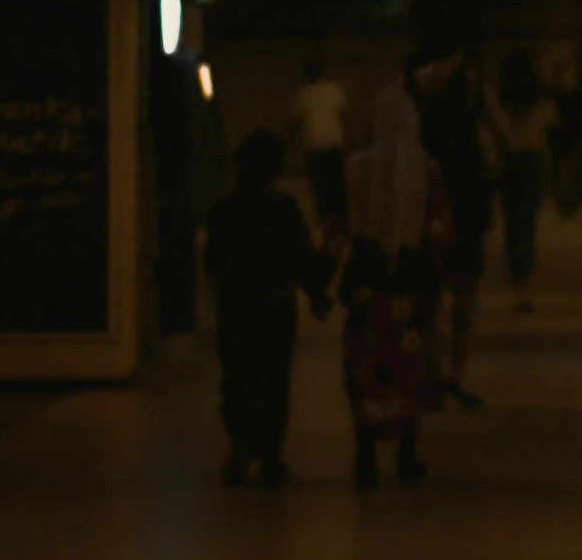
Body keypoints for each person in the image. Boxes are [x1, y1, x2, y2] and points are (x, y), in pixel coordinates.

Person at [334, 64, 443, 488]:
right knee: (409, 366)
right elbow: (439, 229)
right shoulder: (428, 170)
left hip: (367, 284)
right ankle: (406, 453)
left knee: (365, 368)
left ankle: (364, 454)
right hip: (410, 288)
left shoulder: (355, 169)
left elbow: (339, 225)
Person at [204, 128, 329, 487]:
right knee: (274, 381)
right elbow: (301, 258)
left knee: (238, 377)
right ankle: (271, 455)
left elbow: (212, 262)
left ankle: (240, 442)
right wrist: (318, 289)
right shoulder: (285, 210)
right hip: (276, 307)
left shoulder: (223, 211)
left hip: (236, 308)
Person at [412, 33, 495, 407]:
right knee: (467, 291)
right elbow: (499, 133)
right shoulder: (471, 81)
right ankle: (457, 373)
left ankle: (430, 372)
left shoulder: (416, 83)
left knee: (429, 291)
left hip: (428, 191)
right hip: (469, 188)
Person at [490, 46, 554, 311]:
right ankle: (526, 283)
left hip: (510, 164)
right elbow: (546, 131)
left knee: (513, 226)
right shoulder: (539, 99)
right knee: (528, 226)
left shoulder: (500, 99)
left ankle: (517, 282)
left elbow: (497, 133)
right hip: (531, 163)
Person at [290, 58, 349, 233]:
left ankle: (325, 219)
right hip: (333, 142)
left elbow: (294, 121)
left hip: (314, 145)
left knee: (319, 185)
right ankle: (338, 219)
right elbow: (344, 115)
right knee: (336, 183)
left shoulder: (303, 94)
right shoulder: (333, 89)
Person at [548, 51, 582, 219]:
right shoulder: (556, 95)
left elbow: (581, 117)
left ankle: (570, 204)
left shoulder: (573, 95)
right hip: (561, 140)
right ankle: (565, 205)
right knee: (563, 174)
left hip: (572, 139)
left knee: (572, 173)